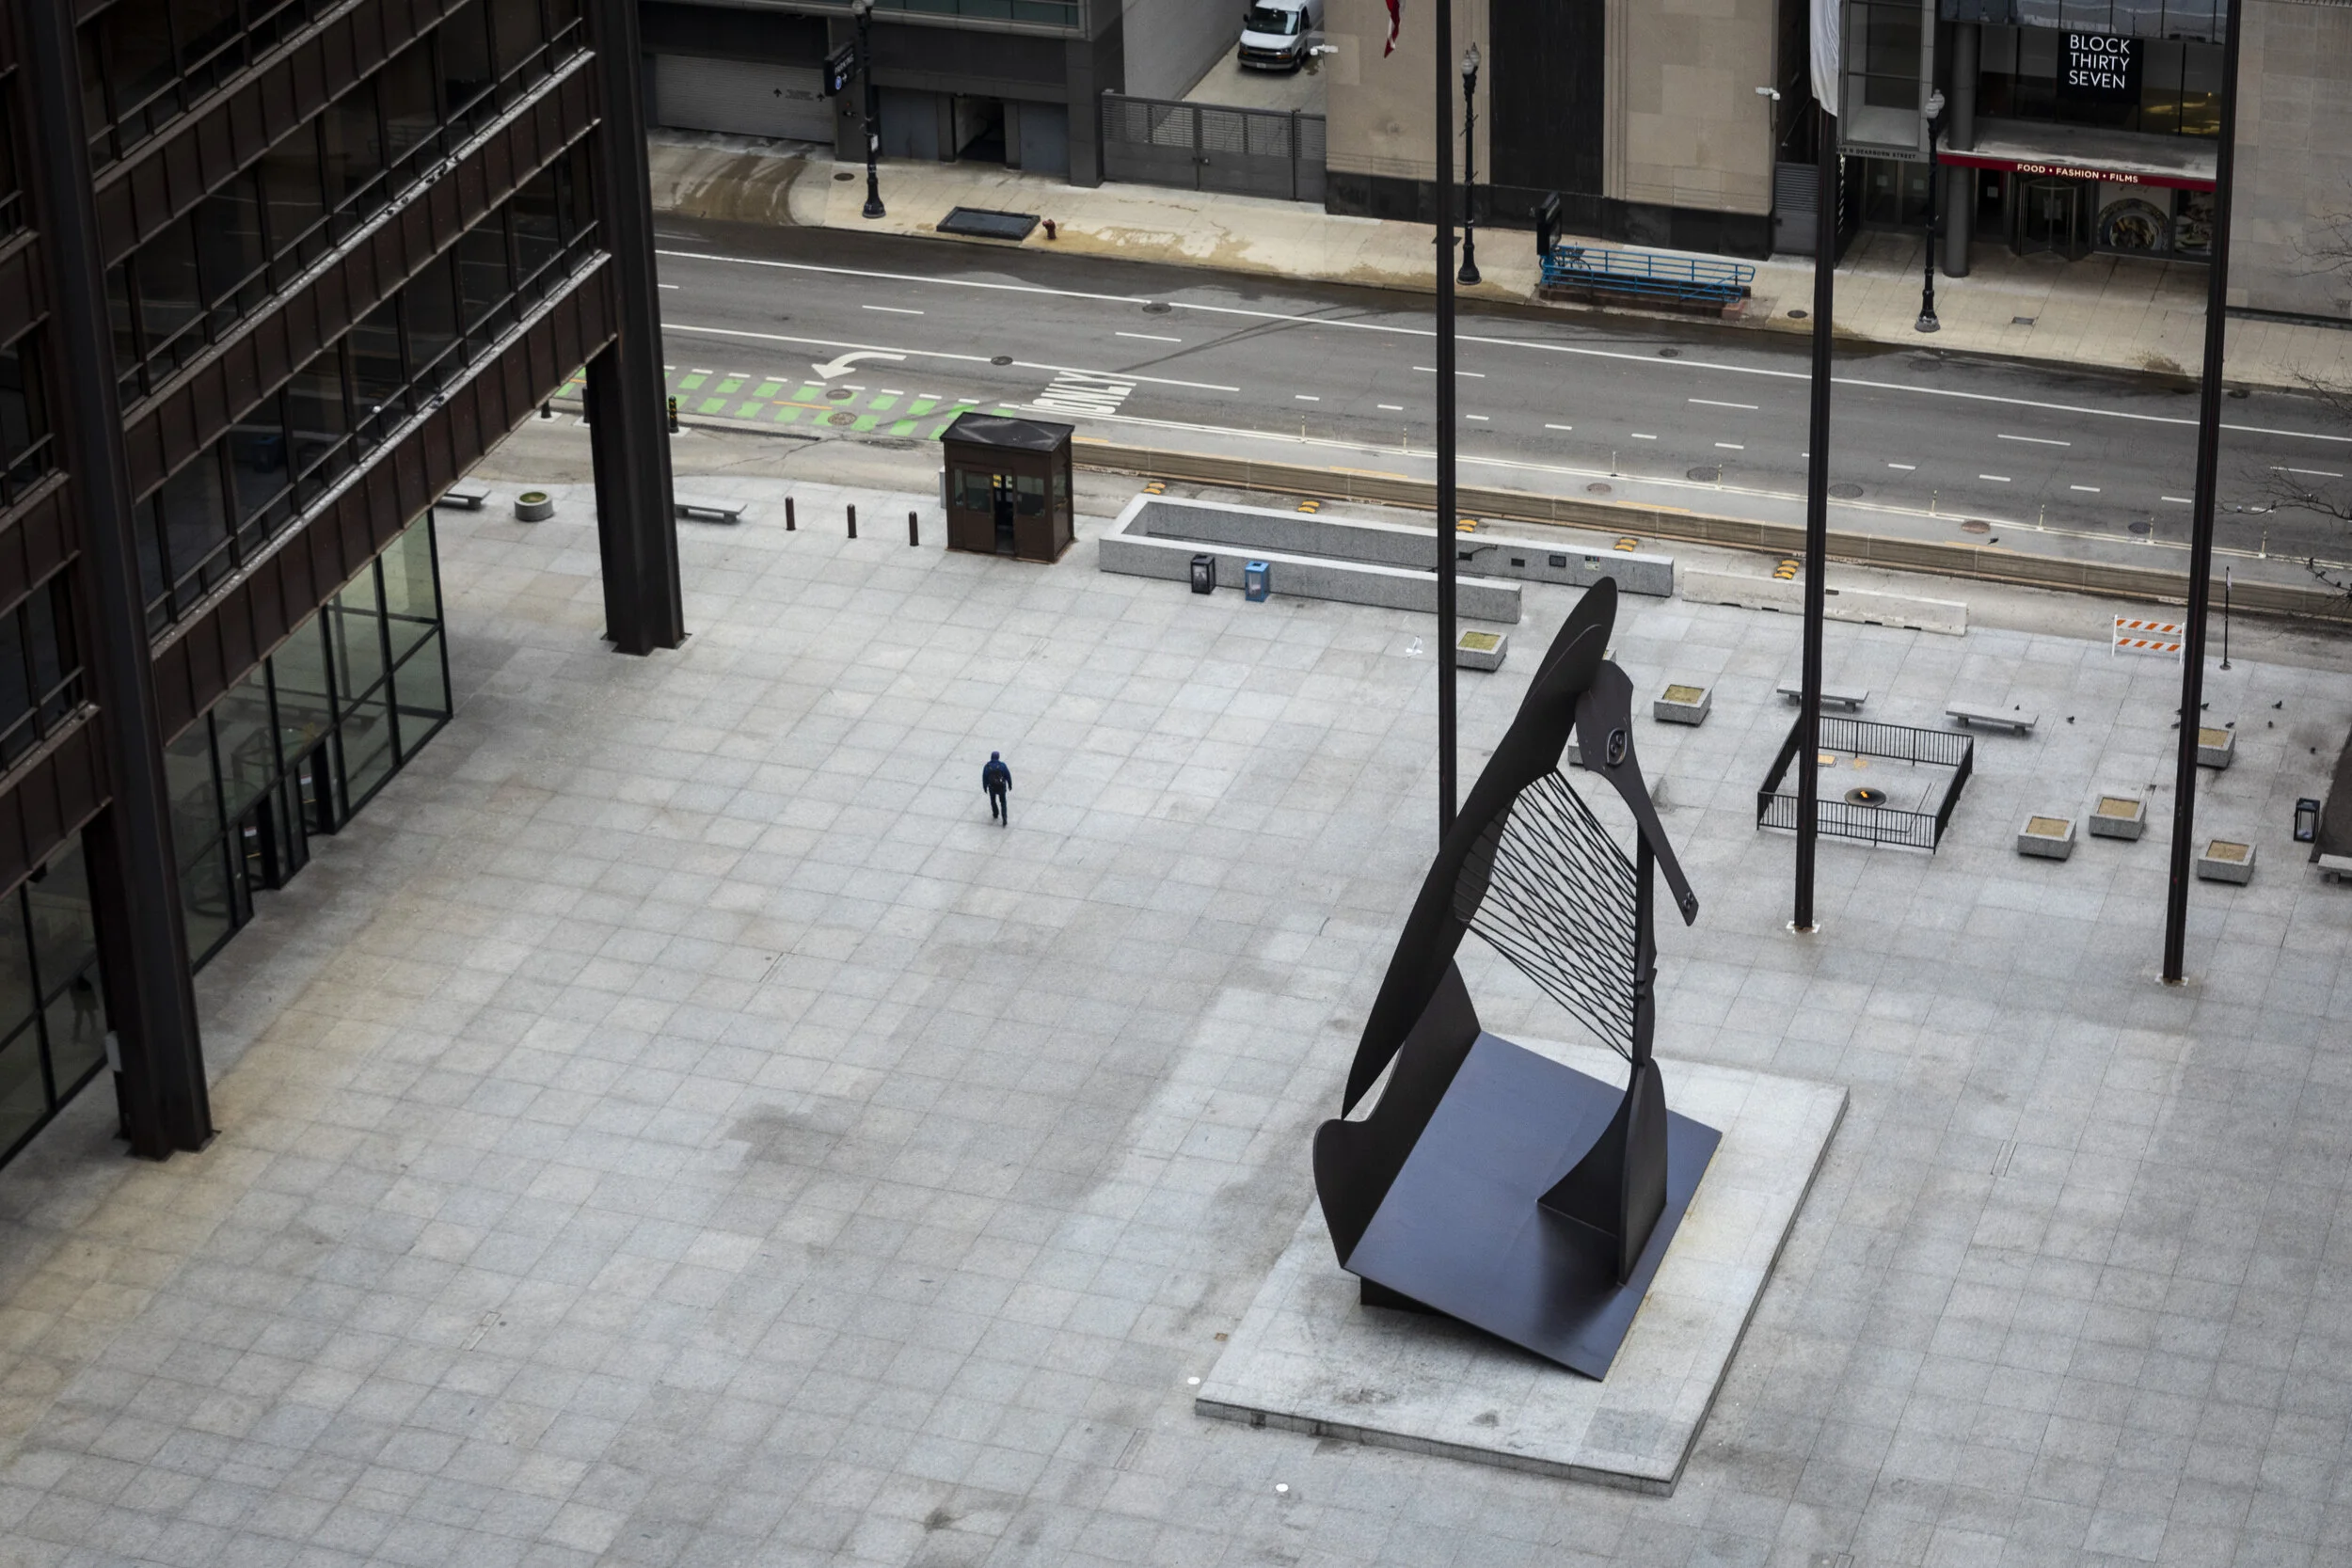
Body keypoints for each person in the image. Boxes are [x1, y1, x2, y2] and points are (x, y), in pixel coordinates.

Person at [981, 752, 1012, 825]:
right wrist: (1010, 784)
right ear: (998, 757)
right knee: (1003, 802)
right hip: (1001, 787)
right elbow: (1008, 775)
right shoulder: (1002, 765)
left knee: (993, 800)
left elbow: (984, 778)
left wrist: (985, 787)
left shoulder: (987, 766)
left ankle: (995, 813)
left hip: (992, 788)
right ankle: (1004, 817)